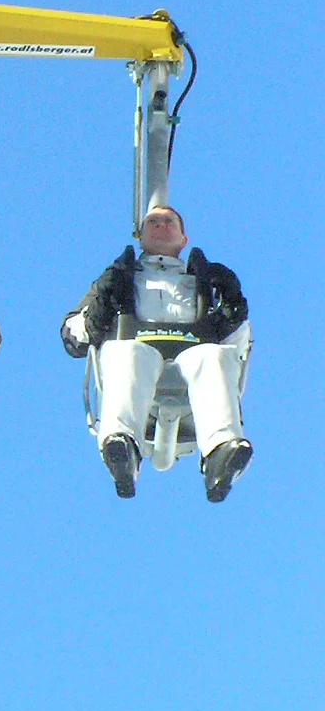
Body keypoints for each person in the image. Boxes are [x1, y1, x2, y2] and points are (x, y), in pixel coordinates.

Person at [61, 204, 252, 502]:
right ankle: (122, 445)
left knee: (214, 357)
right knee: (128, 353)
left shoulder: (201, 281)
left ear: (183, 239)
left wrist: (232, 309)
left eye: (168, 221)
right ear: (141, 235)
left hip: (191, 365)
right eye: (153, 221)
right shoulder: (122, 278)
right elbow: (73, 336)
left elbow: (238, 346)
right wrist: (99, 312)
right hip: (139, 363)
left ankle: (220, 450)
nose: (161, 225)